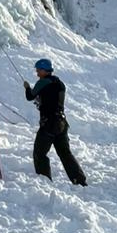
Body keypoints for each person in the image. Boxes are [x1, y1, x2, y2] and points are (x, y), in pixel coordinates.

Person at [23, 58, 87, 186]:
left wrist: (27, 88)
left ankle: (44, 182)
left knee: (39, 153)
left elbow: (30, 96)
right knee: (65, 153)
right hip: (62, 123)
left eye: (38, 70)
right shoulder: (60, 83)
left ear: (44, 70)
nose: (36, 73)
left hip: (49, 124)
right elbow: (53, 100)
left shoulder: (42, 83)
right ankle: (79, 180)